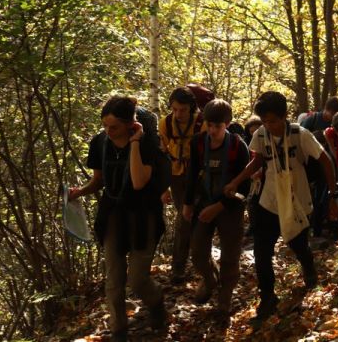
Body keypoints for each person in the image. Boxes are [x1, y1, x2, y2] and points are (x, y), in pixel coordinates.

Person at [223, 91, 338, 323]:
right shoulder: (262, 134)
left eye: (273, 121)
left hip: (296, 200)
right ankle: (267, 297)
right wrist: (236, 181)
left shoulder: (300, 134)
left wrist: (333, 196)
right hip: (269, 200)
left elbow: (325, 160)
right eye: (264, 121)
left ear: (285, 116)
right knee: (262, 251)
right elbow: (257, 160)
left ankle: (309, 269)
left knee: (298, 246)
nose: (268, 125)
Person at [69, 96, 166, 341]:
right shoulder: (100, 143)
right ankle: (119, 330)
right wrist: (80, 191)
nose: (108, 131)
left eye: (114, 127)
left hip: (144, 217)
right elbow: (99, 180)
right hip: (112, 215)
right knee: (113, 279)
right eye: (105, 126)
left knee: (137, 279)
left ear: (130, 124)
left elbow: (138, 181)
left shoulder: (148, 144)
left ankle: (156, 303)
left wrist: (134, 143)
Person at [182, 99, 250, 321]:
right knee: (198, 250)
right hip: (204, 202)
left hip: (229, 207)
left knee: (230, 254)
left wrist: (220, 206)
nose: (212, 130)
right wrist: (188, 203)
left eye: (217, 126)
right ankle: (210, 280)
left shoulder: (239, 147)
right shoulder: (198, 143)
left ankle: (225, 297)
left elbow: (245, 187)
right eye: (209, 125)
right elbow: (191, 174)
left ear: (227, 124)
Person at [159, 87, 201, 283]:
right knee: (185, 217)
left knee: (190, 217)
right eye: (174, 109)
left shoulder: (201, 123)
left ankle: (183, 266)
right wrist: (163, 187)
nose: (178, 114)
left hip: (199, 176)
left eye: (182, 110)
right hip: (176, 175)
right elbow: (162, 156)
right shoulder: (165, 124)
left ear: (191, 108)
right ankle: (184, 266)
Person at [300, 96, 338, 237]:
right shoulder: (312, 120)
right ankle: (304, 228)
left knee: (324, 197)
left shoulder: (336, 123)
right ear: (326, 109)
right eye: (331, 113)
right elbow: (298, 138)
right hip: (308, 165)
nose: (332, 117)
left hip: (325, 166)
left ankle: (319, 229)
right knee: (305, 197)